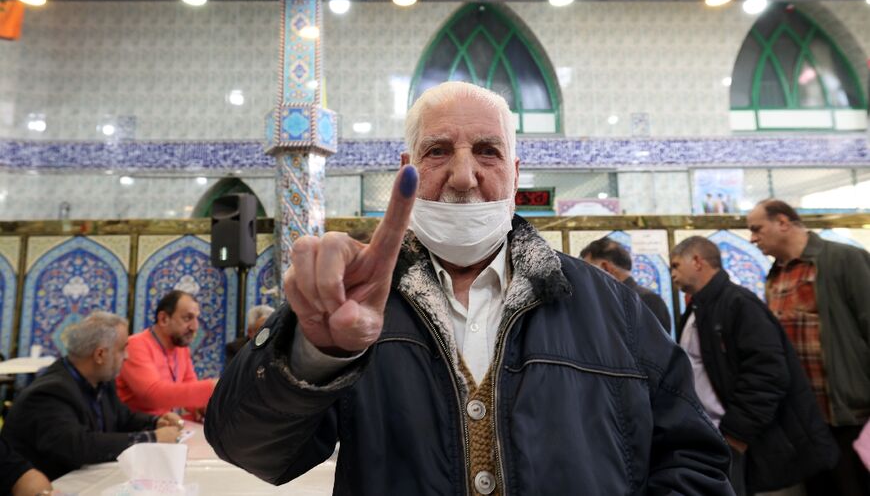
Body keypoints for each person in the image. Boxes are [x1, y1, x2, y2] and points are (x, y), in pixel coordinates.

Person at [205, 82, 732, 494]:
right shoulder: (354, 304)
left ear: (515, 172)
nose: (463, 176)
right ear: (405, 171)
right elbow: (248, 449)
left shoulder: (613, 308)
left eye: (487, 151)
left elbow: (693, 459)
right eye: (438, 152)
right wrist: (317, 354)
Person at [670, 237, 837, 495]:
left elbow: (768, 373)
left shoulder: (738, 304)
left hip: (753, 443)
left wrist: (736, 433)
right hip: (722, 437)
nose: (673, 274)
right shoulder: (698, 309)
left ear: (697, 261)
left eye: (676, 265)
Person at [747, 199, 870, 496]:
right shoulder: (775, 276)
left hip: (850, 414)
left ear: (783, 223)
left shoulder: (843, 259)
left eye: (756, 229)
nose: (752, 238)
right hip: (808, 421)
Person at [1, 312, 183, 480]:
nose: (126, 356)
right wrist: (152, 438)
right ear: (100, 355)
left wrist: (156, 422)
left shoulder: (100, 381)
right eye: (122, 349)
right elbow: (80, 446)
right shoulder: (50, 393)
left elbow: (122, 417)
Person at [116, 290, 216, 420]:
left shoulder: (181, 348)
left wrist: (203, 407)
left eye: (196, 318)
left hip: (166, 426)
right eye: (187, 318)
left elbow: (189, 386)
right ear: (163, 319)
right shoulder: (135, 345)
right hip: (136, 430)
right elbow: (153, 396)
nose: (195, 327)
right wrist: (212, 387)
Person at [580, 236, 672, 331]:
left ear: (605, 267)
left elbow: (655, 343)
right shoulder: (607, 299)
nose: (585, 278)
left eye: (587, 271)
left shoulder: (646, 300)